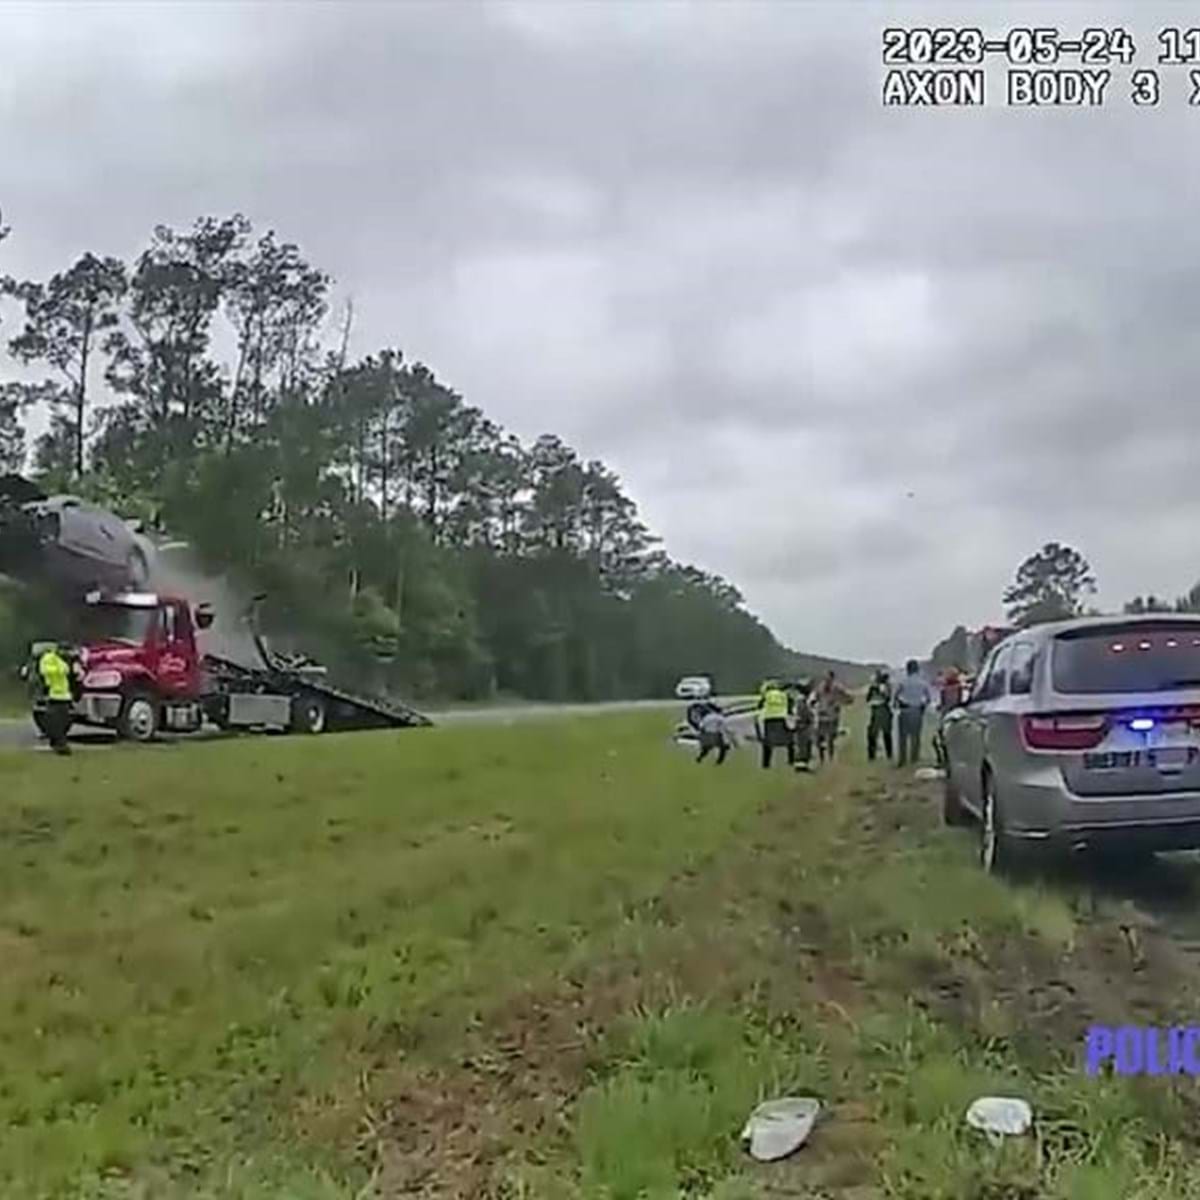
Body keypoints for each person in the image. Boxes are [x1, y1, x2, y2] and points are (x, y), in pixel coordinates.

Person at [35, 641, 74, 756]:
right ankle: (61, 745)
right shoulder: (49, 658)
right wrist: (59, 671)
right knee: (57, 723)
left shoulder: (63, 660)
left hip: (64, 695)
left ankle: (56, 742)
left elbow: (68, 672)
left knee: (65, 721)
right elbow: (44, 670)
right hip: (53, 694)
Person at [894, 659, 934, 768]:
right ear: (917, 669)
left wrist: (896, 704)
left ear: (907, 669)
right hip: (917, 710)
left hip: (904, 710)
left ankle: (902, 759)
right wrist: (923, 706)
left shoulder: (902, 682)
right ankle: (914, 758)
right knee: (915, 736)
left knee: (903, 737)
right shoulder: (923, 682)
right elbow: (929, 698)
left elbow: (896, 696)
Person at [813, 670, 853, 763]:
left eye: (828, 677)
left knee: (830, 738)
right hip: (822, 715)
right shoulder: (820, 687)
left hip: (832, 716)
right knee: (819, 738)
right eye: (825, 677)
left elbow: (848, 698)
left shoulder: (837, 687)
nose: (826, 680)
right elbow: (815, 697)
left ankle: (830, 758)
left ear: (832, 678)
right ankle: (822, 758)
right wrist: (814, 703)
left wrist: (839, 703)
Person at [756, 678, 795, 769]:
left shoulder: (767, 694)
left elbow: (760, 705)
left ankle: (766, 763)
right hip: (781, 718)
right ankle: (791, 760)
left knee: (768, 742)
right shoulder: (784, 695)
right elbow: (790, 705)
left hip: (769, 719)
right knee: (789, 740)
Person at [865, 669, 894, 762]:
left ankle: (886, 754)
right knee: (875, 733)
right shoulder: (874, 687)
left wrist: (879, 690)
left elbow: (887, 698)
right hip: (878, 709)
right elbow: (868, 698)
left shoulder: (884, 687)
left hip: (882, 708)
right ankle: (874, 755)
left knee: (882, 733)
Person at [790, 678, 815, 771]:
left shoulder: (802, 699)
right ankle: (801, 765)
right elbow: (803, 712)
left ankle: (803, 763)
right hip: (802, 724)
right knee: (802, 744)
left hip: (803, 724)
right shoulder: (801, 700)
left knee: (805, 744)